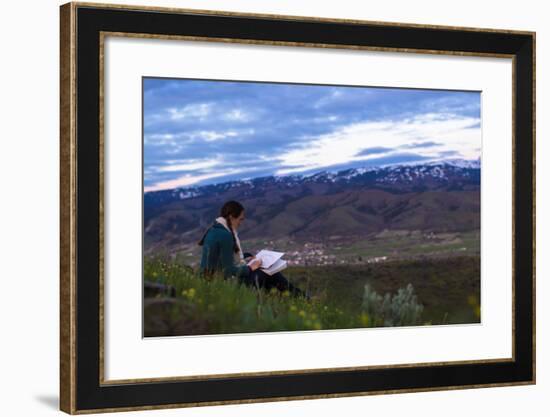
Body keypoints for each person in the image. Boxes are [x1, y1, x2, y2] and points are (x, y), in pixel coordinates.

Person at [197, 200, 308, 298]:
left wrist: (246, 256)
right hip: (224, 284)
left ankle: (283, 299)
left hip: (210, 280)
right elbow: (228, 271)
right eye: (240, 219)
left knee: (267, 274)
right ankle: (300, 298)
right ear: (231, 217)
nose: (241, 223)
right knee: (270, 273)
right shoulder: (225, 236)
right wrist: (250, 267)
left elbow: (224, 258)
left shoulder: (214, 230)